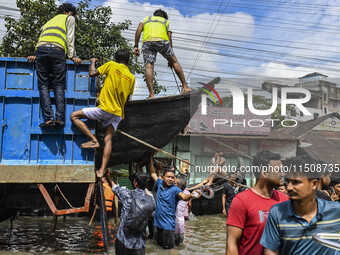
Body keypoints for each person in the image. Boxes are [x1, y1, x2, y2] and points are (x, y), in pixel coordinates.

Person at [70, 49, 135, 178]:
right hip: (118, 113)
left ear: (116, 58)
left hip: (105, 109)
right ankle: (101, 171)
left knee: (74, 116)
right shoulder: (131, 77)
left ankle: (93, 140)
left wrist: (93, 62)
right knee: (108, 139)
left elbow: (92, 73)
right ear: (128, 61)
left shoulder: (112, 65)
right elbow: (127, 98)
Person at [260, 155, 340, 255]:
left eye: (296, 182)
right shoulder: (277, 213)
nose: (289, 187)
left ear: (314, 184)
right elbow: (271, 251)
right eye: (287, 181)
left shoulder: (335, 210)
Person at [27, 3, 81, 128]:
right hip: (57, 50)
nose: (71, 15)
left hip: (41, 50)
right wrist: (71, 56)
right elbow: (70, 37)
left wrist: (36, 55)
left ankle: (49, 118)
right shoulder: (69, 18)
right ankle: (59, 119)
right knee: (58, 83)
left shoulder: (48, 22)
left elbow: (44, 38)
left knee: (43, 84)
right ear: (67, 12)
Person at [226, 150, 288, 255]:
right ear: (264, 172)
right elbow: (232, 244)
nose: (283, 174)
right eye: (278, 170)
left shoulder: (285, 200)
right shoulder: (241, 201)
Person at [134, 9, 191, 99]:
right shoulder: (166, 21)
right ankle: (185, 87)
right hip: (162, 42)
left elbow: (139, 30)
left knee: (149, 67)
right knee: (175, 62)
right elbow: (169, 38)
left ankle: (151, 95)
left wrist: (136, 45)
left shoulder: (145, 19)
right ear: (163, 16)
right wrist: (170, 59)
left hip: (147, 42)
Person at [148, 153, 199, 249]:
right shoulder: (159, 183)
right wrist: (150, 156)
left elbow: (184, 197)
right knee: (159, 247)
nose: (171, 179)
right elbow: (152, 173)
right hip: (158, 223)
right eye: (168, 177)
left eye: (172, 177)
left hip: (168, 226)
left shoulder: (175, 189)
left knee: (168, 249)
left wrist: (192, 195)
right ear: (163, 178)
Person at [105, 171, 156, 255]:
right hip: (139, 244)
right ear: (147, 185)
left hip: (123, 241)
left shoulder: (126, 194)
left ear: (135, 183)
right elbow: (152, 216)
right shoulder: (151, 200)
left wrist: (107, 176)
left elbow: (113, 186)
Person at [174, 178, 191, 245]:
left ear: (179, 187)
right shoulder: (187, 194)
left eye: (175, 183)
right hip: (181, 228)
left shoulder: (174, 194)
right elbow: (190, 204)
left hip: (173, 228)